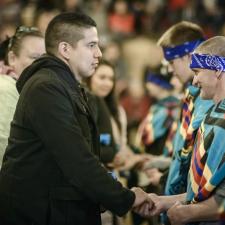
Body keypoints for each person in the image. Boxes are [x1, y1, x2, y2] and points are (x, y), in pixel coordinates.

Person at [0, 12, 152, 225]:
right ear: (65, 49)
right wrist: (127, 198)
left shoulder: (64, 86)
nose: (99, 53)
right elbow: (76, 159)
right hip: (39, 213)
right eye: (91, 45)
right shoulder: (46, 87)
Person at [136, 36, 225, 225]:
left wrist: (190, 213)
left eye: (197, 71)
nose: (194, 80)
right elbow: (201, 191)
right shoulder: (213, 114)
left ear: (218, 70)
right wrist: (163, 201)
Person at [157, 21, 214, 197]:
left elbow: (198, 162)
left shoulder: (208, 98)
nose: (170, 71)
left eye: (171, 63)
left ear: (189, 56)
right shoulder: (192, 95)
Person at [0, 26, 45, 167]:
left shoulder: (27, 88)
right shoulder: (6, 88)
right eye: (34, 57)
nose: (42, 64)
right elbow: (4, 143)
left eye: (45, 58)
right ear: (12, 58)